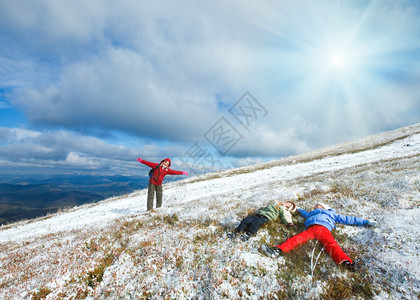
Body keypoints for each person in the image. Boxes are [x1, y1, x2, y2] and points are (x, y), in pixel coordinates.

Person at [261, 203, 377, 271]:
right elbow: (303, 212)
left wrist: (365, 221)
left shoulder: (331, 214)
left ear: (325, 207)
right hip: (311, 229)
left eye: (319, 205)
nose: (316, 206)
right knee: (296, 239)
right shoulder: (311, 213)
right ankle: (277, 250)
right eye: (315, 206)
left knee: (332, 245)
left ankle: (346, 262)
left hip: (324, 229)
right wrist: (296, 208)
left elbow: (349, 219)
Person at [227, 201, 297, 241]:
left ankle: (249, 234)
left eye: (289, 204)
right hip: (258, 215)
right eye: (288, 202)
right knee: (245, 220)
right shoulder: (275, 204)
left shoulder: (283, 209)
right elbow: (264, 208)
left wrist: (289, 223)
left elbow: (286, 216)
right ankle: (236, 232)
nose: (287, 203)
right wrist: (257, 211)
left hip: (266, 217)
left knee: (255, 223)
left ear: (289, 208)